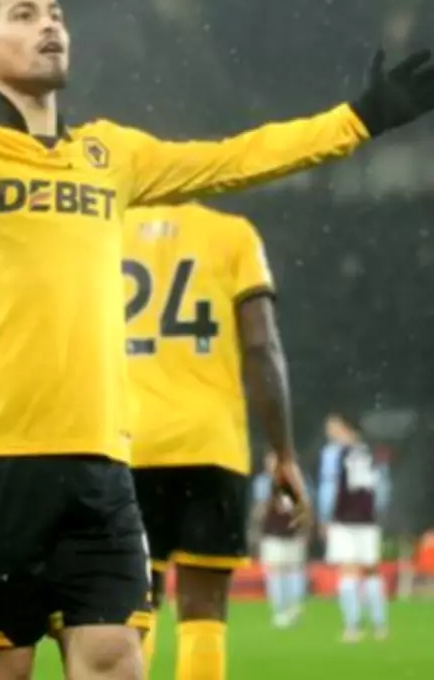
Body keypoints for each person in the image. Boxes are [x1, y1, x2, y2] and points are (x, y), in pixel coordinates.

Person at [0, 0, 434, 680]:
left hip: (101, 462)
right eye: (24, 15)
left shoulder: (110, 155)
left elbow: (235, 159)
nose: (50, 24)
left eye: (56, 13)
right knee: (1, 669)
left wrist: (358, 119)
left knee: (116, 660)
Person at [122, 203, 310, 679]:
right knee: (203, 607)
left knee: (131, 602)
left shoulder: (108, 231)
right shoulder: (232, 235)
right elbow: (261, 346)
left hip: (126, 443)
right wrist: (284, 454)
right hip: (210, 445)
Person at [318, 413, 391, 642]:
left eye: (333, 427)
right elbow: (384, 488)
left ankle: (353, 626)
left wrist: (324, 516)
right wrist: (376, 513)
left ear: (345, 428)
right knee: (371, 570)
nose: (330, 432)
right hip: (368, 519)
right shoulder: (372, 452)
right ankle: (380, 626)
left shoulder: (333, 453)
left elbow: (329, 486)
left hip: (344, 519)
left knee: (348, 570)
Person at [252, 452, 310, 628]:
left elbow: (260, 510)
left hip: (286, 533)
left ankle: (290, 608)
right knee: (280, 571)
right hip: (276, 533)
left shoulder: (268, 482)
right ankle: (284, 609)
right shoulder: (289, 481)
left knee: (288, 571)